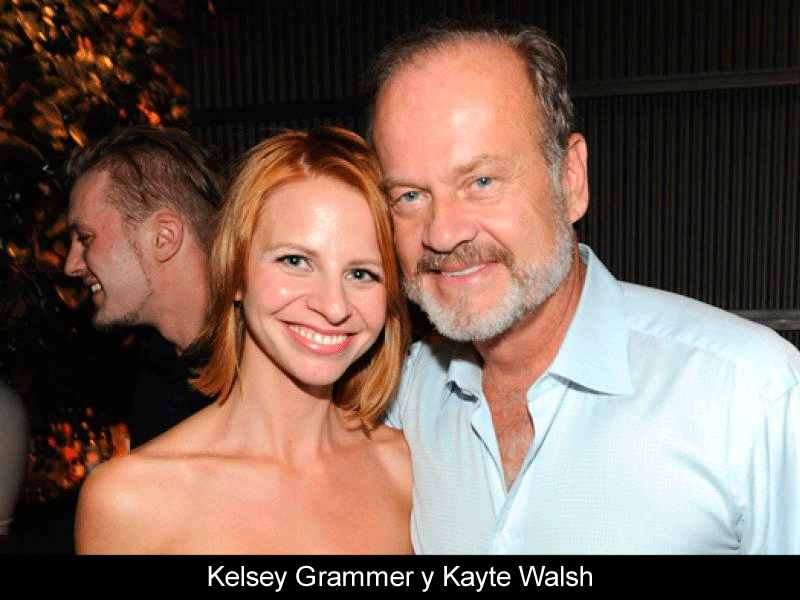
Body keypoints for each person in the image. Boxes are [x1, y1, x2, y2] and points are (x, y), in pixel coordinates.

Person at [368, 20, 800, 553]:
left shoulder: (751, 397)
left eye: (481, 181)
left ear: (570, 179)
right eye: (409, 196)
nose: (442, 232)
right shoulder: (405, 397)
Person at [74, 126, 412, 554]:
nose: (334, 306)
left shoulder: (406, 470)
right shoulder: (130, 501)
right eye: (295, 261)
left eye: (361, 273)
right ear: (234, 271)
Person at [64, 126, 224, 448]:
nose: (71, 266)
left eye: (85, 239)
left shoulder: (268, 377)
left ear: (163, 238)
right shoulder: (156, 380)